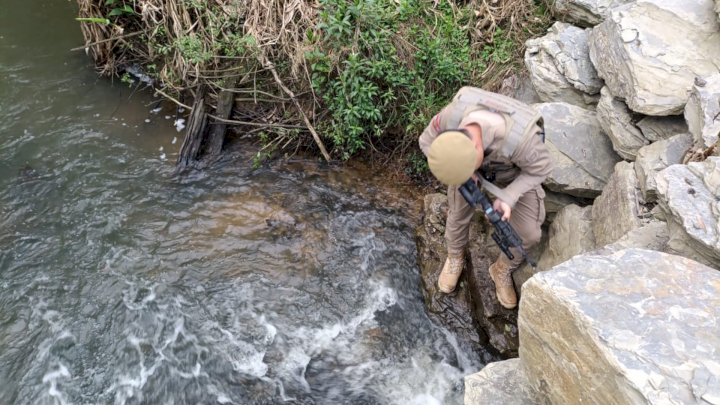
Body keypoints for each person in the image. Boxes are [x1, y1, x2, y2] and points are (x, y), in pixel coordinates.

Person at [418, 86, 553, 309]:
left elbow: (542, 168)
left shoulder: (521, 141)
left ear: (477, 146)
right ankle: (455, 256)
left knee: (529, 232)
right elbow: (425, 142)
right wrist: (466, 173)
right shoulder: (450, 117)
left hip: (514, 173)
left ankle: (501, 268)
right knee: (458, 214)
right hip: (468, 170)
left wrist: (510, 196)